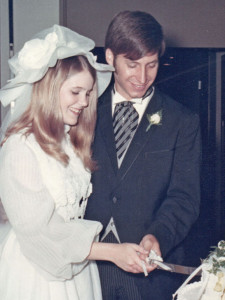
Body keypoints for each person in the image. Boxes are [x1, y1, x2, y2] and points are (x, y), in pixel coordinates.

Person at [0, 25, 150, 300]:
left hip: (77, 264)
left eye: (88, 93)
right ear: (49, 89)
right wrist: (112, 252)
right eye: (75, 92)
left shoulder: (68, 141)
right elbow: (41, 232)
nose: (84, 102)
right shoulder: (20, 147)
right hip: (36, 271)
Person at [85, 10, 201, 300]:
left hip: (147, 276)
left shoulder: (182, 120)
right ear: (110, 57)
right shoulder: (83, 110)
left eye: (151, 65)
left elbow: (184, 197)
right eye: (132, 64)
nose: (142, 77)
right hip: (86, 268)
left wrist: (158, 235)